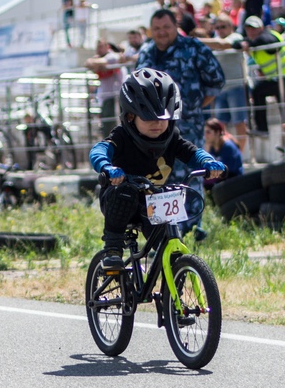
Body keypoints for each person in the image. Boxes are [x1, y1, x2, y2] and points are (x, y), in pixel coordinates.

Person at [88, 70, 225, 270]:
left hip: (152, 203)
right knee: (125, 192)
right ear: (131, 116)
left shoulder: (172, 137)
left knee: (168, 242)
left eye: (164, 118)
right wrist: (107, 167)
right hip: (118, 201)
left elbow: (192, 152)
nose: (158, 124)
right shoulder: (122, 136)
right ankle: (113, 249)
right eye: (148, 118)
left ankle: (173, 280)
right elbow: (99, 150)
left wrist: (208, 162)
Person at [135, 8, 225, 169]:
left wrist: (193, 106)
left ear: (176, 26)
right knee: (155, 188)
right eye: (156, 28)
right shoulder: (145, 53)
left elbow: (216, 81)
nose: (161, 32)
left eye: (166, 27)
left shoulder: (193, 48)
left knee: (190, 184)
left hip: (187, 131)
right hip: (152, 137)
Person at [242, 15, 285, 159]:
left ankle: (262, 128)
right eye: (248, 29)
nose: (251, 32)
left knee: (258, 91)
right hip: (284, 78)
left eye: (253, 28)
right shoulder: (255, 42)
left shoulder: (268, 35)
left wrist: (249, 43)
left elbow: (270, 45)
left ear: (261, 27)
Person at [202, 15, 250, 153]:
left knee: (239, 122)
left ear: (231, 27)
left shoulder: (236, 37)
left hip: (236, 87)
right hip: (221, 89)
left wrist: (197, 40)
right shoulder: (215, 42)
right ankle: (226, 153)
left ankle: (238, 156)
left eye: (223, 27)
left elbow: (223, 45)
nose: (220, 30)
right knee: (219, 125)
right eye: (217, 27)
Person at [85, 38, 127, 136]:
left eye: (101, 47)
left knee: (113, 126)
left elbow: (105, 61)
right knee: (106, 126)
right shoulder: (99, 58)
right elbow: (88, 63)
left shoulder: (111, 57)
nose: (99, 49)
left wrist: (97, 63)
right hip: (105, 97)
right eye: (98, 47)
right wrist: (96, 63)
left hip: (116, 96)